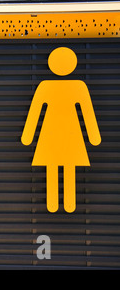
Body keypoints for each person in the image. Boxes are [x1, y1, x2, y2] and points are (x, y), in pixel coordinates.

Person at [21, 47, 101, 213]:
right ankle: (67, 204)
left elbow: (35, 112)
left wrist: (27, 136)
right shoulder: (78, 86)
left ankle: (55, 204)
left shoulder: (47, 86)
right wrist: (94, 137)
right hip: (69, 132)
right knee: (65, 166)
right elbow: (87, 113)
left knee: (55, 166)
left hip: (53, 132)